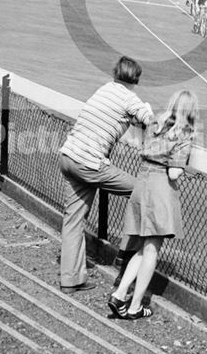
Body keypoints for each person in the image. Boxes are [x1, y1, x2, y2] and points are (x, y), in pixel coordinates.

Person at [58, 56, 156, 293]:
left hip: (68, 156)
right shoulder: (129, 98)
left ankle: (70, 280)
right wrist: (147, 113)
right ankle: (125, 253)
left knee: (72, 219)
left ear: (115, 73)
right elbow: (152, 122)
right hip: (89, 164)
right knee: (144, 191)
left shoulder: (104, 89)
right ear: (136, 79)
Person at [108, 90, 198, 321]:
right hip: (160, 189)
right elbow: (175, 172)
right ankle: (135, 305)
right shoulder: (184, 132)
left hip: (142, 182)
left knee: (141, 246)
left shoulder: (156, 122)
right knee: (151, 250)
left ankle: (119, 295)